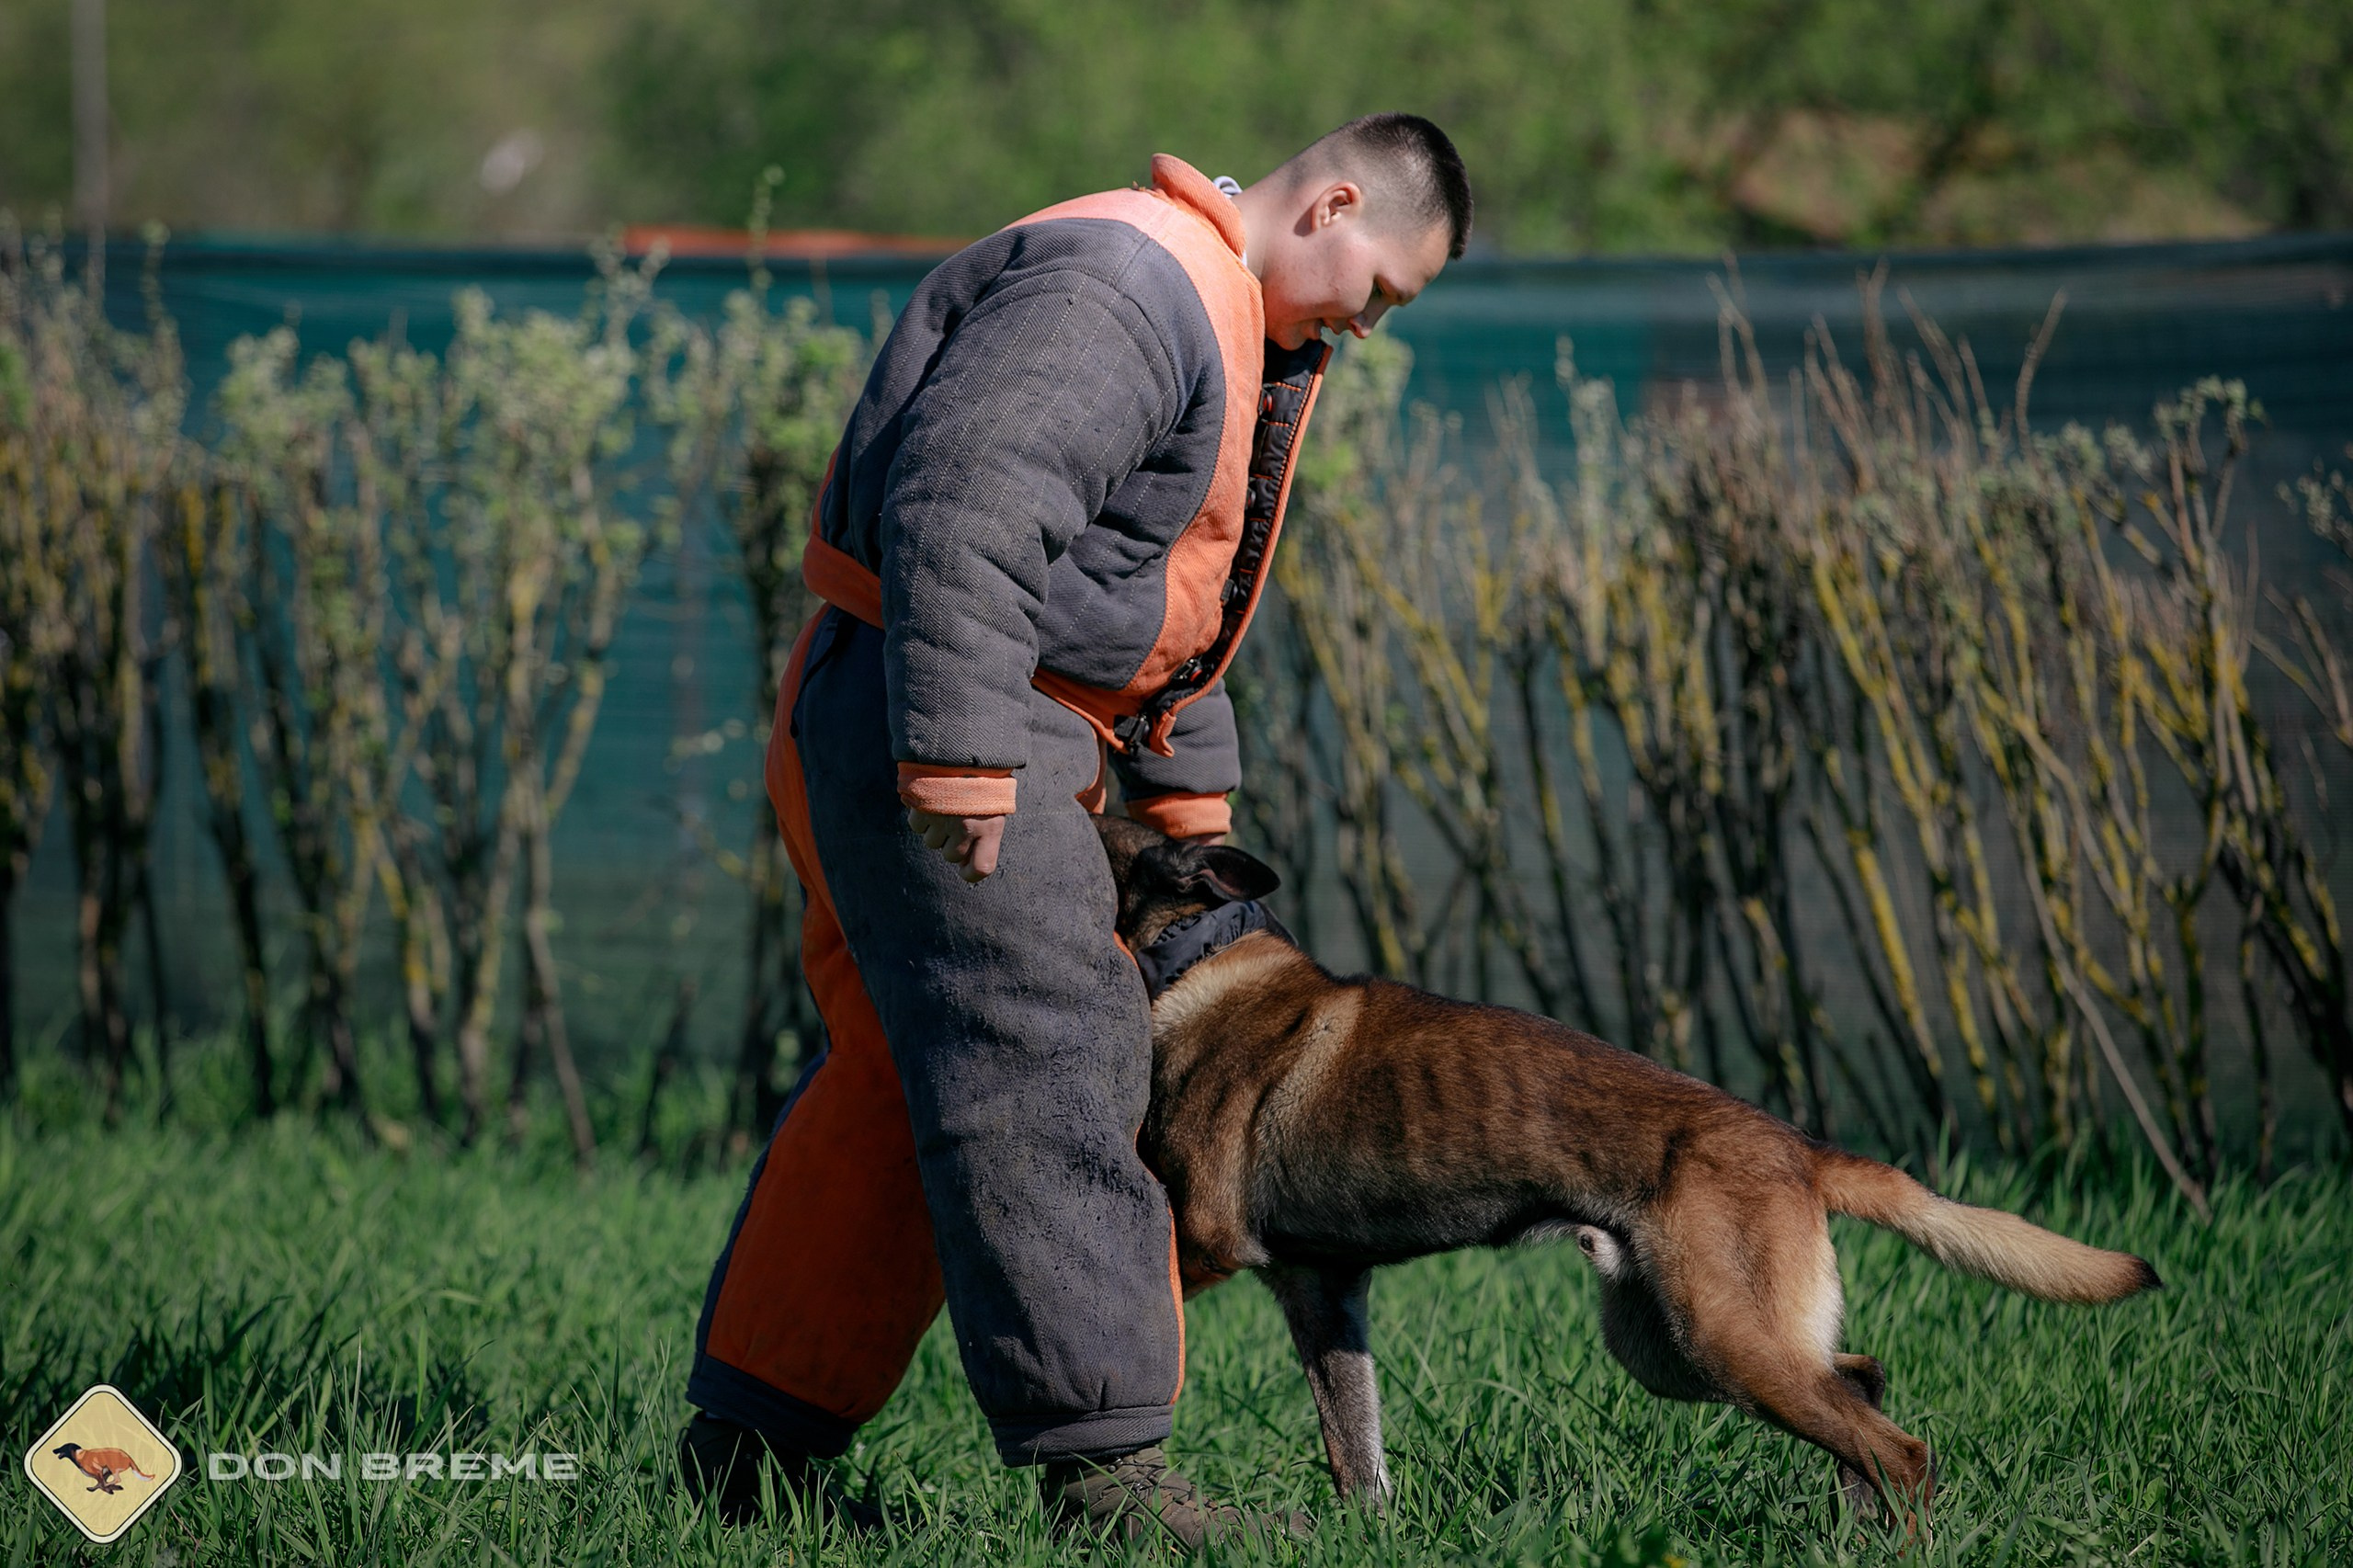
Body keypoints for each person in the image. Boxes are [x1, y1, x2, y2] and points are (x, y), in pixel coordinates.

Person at [677, 112, 1472, 1549]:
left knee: (901, 1075)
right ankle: (1105, 1478)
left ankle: (746, 1451)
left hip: (965, 702)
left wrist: (1190, 815)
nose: (1365, 329)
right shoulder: (1129, 285)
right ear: (1334, 205)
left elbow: (1152, 601)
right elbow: (969, 500)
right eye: (1380, 294)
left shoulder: (1210, 309)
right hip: (952, 706)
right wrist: (968, 755)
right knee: (1055, 1049)